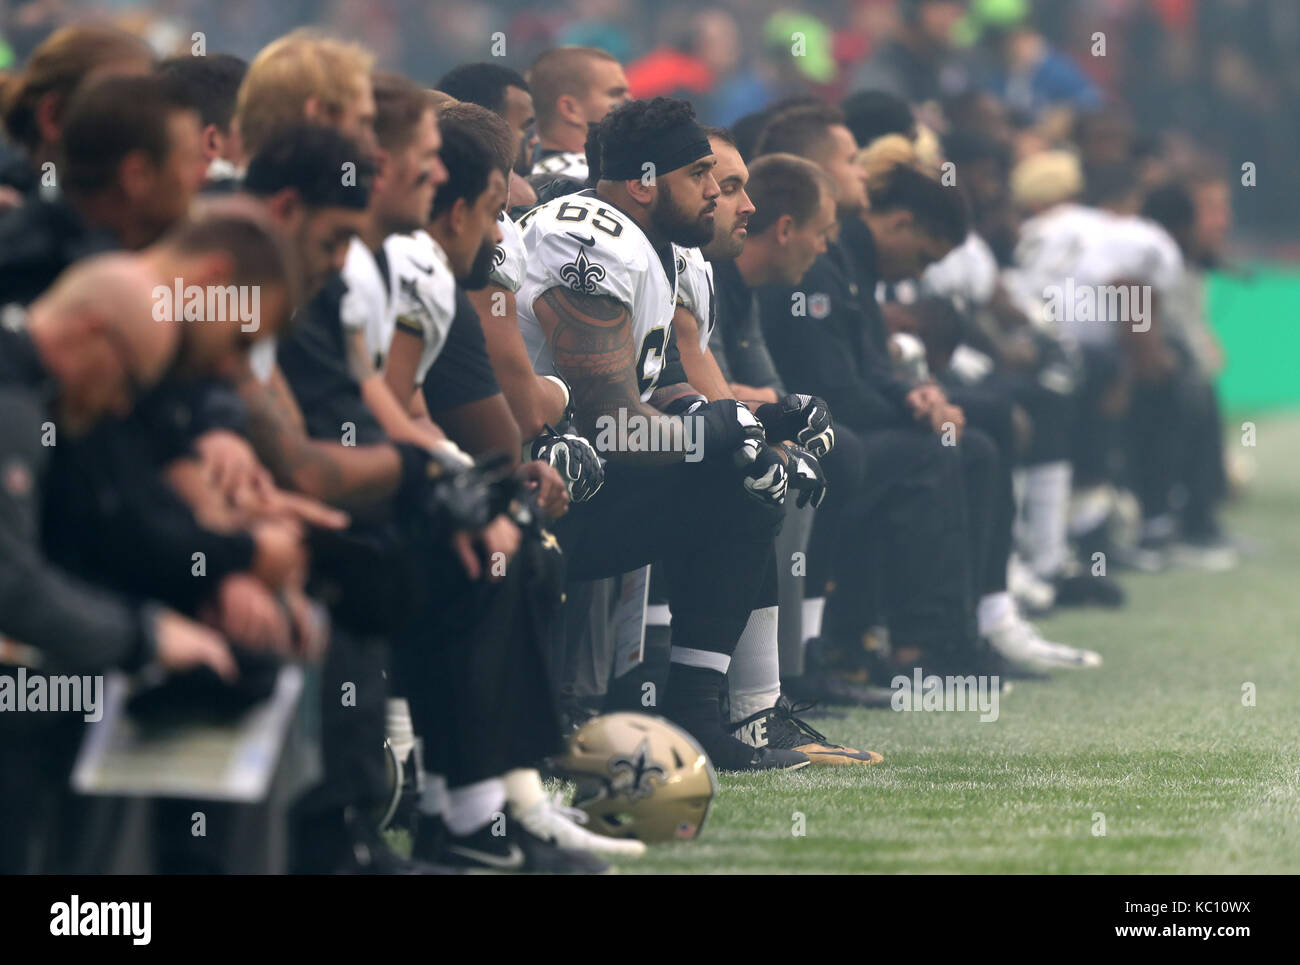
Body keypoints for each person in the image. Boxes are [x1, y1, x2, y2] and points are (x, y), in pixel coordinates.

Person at [516, 96, 817, 770]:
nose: (715, 193)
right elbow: (616, 425)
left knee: (743, 474)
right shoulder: (588, 236)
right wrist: (719, 430)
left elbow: (659, 392)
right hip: (530, 483)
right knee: (728, 465)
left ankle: (697, 716)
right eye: (700, 176)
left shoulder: (669, 252)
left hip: (577, 480)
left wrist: (756, 422)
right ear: (644, 181)